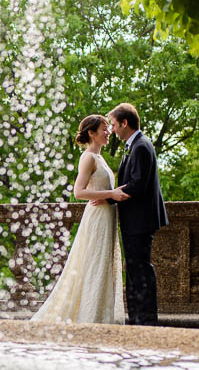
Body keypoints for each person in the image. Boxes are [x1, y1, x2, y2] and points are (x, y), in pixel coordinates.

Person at [31, 115, 129, 325]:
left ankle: (100, 316)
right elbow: (78, 192)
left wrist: (111, 194)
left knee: (102, 265)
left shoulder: (100, 158)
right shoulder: (88, 158)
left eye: (107, 128)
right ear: (91, 133)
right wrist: (110, 194)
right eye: (104, 129)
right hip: (97, 218)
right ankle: (89, 318)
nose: (108, 132)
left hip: (106, 217)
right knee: (94, 264)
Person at [100, 103, 168, 325]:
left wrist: (108, 197)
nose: (112, 129)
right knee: (136, 269)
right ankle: (139, 318)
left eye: (113, 124)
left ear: (124, 122)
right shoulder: (136, 144)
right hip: (136, 221)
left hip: (140, 221)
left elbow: (137, 184)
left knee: (140, 271)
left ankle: (144, 321)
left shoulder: (140, 146)